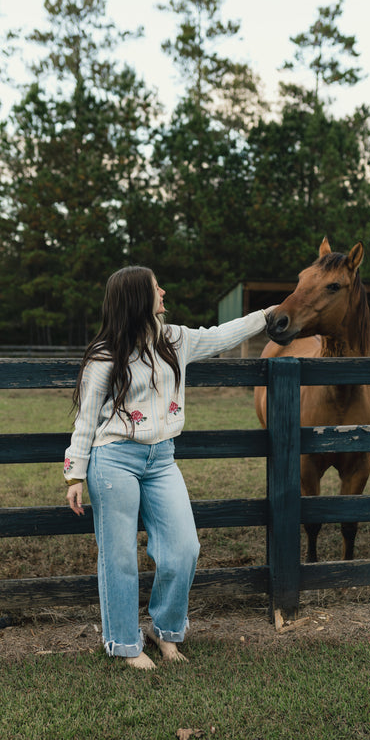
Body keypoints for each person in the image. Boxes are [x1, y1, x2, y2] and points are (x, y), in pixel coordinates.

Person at [64, 265, 274, 669]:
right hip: (113, 461)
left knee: (184, 549)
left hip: (162, 459)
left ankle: (165, 629)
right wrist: (75, 474)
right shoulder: (106, 353)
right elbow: (86, 418)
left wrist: (265, 316)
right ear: (138, 298)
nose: (164, 290)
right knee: (119, 556)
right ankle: (124, 644)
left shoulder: (175, 339)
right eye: (155, 286)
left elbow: (219, 335)